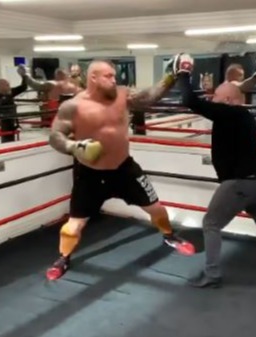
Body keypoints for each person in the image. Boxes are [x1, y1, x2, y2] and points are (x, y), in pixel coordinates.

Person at [46, 60, 195, 281]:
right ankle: (63, 258)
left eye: (114, 76)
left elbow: (149, 96)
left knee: (157, 209)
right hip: (90, 174)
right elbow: (55, 136)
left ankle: (169, 235)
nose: (114, 80)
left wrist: (171, 76)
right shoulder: (73, 106)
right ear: (93, 77)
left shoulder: (123, 95)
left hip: (124, 169)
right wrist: (74, 147)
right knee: (72, 227)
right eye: (108, 76)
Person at [172, 53, 256, 288]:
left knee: (211, 224)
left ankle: (213, 274)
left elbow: (190, 100)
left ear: (227, 100)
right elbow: (239, 88)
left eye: (216, 96)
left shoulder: (228, 113)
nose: (212, 99)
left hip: (239, 183)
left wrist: (183, 72)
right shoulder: (243, 115)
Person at [18, 66, 82, 126]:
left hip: (54, 114)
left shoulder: (53, 84)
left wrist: (26, 75)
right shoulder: (73, 86)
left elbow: (36, 86)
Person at [0, 68, 28, 142]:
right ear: (1, 86)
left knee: (11, 138)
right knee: (6, 139)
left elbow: (23, 87)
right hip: (2, 123)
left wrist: (23, 76)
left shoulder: (10, 92)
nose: (9, 86)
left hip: (11, 120)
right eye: (7, 85)